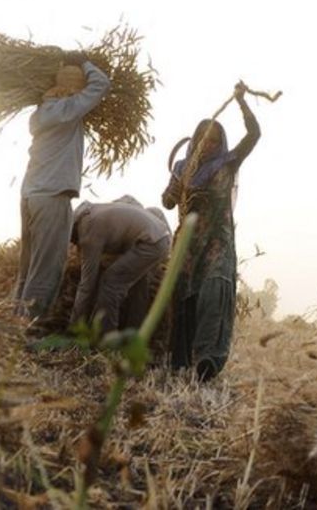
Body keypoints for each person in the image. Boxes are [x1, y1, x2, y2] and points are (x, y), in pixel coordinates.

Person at [162, 82, 261, 381]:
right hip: (187, 244)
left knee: (213, 292)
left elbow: (254, 134)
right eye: (204, 139)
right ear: (196, 140)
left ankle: (208, 359)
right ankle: (180, 361)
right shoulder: (182, 167)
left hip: (217, 241)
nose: (209, 144)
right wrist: (178, 189)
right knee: (182, 298)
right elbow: (167, 202)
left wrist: (242, 102)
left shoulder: (227, 163)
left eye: (215, 140)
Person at [14, 51, 111, 320]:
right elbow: (101, 85)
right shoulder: (66, 110)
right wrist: (84, 63)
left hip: (31, 196)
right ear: (73, 88)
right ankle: (28, 328)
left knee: (29, 268)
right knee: (46, 269)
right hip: (52, 197)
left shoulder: (41, 113)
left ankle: (11, 328)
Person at [68, 199, 172, 333]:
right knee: (137, 287)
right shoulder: (93, 213)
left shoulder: (88, 230)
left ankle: (105, 339)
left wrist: (74, 327)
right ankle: (132, 336)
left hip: (151, 242)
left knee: (110, 283)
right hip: (158, 237)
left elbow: (87, 285)